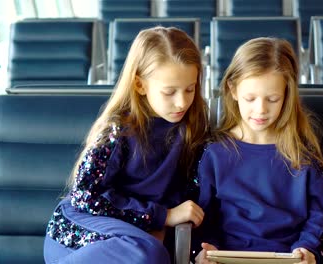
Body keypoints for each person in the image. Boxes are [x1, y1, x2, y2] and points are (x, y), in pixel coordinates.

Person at [43, 26, 209, 264]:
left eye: (190, 89)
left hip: (140, 239)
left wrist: (198, 250)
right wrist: (162, 216)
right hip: (83, 234)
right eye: (169, 92)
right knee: (147, 252)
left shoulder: (195, 129)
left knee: (152, 252)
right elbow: (86, 197)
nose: (182, 101)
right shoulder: (116, 129)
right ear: (140, 85)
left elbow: (194, 203)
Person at [194, 37, 323, 264]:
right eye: (250, 99)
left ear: (286, 95)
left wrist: (307, 247)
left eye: (272, 99)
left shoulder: (301, 152)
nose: (260, 110)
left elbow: (322, 213)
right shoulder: (215, 153)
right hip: (229, 258)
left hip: (287, 258)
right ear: (232, 89)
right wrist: (205, 248)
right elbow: (204, 216)